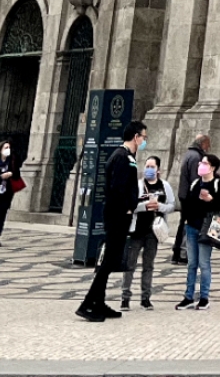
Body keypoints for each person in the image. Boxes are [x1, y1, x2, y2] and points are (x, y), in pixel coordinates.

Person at [76, 118, 149, 321]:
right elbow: (117, 188)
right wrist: (128, 207)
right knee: (108, 262)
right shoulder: (122, 157)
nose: (144, 141)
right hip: (118, 216)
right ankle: (88, 303)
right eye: (143, 137)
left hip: (119, 214)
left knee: (111, 261)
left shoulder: (126, 156)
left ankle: (98, 302)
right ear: (136, 137)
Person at [119, 154, 174, 311]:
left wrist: (158, 207)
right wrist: (145, 205)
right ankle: (125, 297)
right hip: (136, 231)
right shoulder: (137, 185)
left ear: (158, 170)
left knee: (148, 265)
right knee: (130, 265)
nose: (149, 169)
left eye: (152, 167)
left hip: (153, 232)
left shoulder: (165, 186)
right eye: (147, 166)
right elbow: (130, 205)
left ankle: (146, 298)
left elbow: (171, 205)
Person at [176, 152, 220, 310]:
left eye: (204, 163)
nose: (201, 166)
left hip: (208, 228)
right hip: (192, 226)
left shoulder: (218, 184)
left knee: (204, 263)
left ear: (212, 167)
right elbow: (188, 203)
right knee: (191, 263)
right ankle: (188, 296)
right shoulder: (195, 183)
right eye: (200, 163)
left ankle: (204, 297)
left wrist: (210, 200)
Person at [174, 132, 210, 266]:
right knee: (189, 224)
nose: (209, 147)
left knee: (184, 222)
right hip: (190, 197)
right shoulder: (196, 157)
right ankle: (183, 253)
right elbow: (196, 180)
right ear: (203, 143)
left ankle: (178, 252)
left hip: (185, 195)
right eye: (208, 144)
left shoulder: (190, 154)